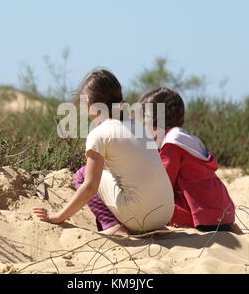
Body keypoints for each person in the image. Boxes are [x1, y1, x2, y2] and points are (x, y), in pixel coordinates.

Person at [33, 69, 174, 236]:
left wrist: (58, 216)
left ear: (90, 103)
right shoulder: (138, 126)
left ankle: (113, 226)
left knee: (82, 175)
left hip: (141, 217)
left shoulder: (99, 133)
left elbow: (90, 186)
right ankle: (141, 223)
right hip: (165, 214)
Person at [139, 87, 242, 234]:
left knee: (148, 205)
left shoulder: (171, 145)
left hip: (201, 216)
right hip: (223, 214)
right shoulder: (187, 139)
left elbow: (162, 183)